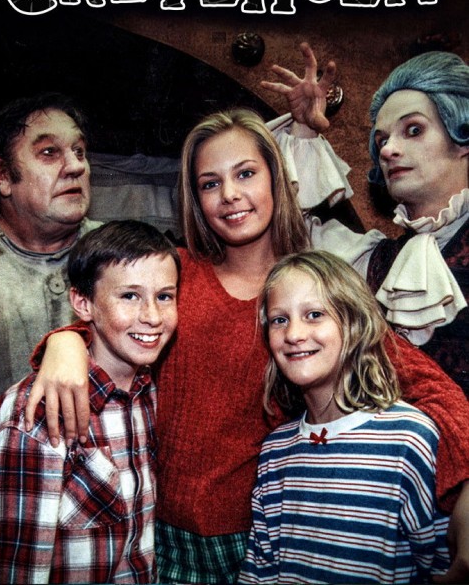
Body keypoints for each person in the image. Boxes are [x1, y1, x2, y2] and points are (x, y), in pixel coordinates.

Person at [24, 106, 469, 584]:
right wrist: (64, 343)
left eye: (246, 174)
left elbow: (435, 390)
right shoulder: (176, 272)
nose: (230, 195)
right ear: (194, 197)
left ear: (275, 177)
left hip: (260, 536)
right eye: (209, 183)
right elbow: (112, 322)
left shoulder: (307, 293)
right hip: (155, 532)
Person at [0, 219, 180, 584]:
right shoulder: (36, 418)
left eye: (164, 296)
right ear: (83, 303)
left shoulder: (148, 392)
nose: (152, 316)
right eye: (129, 296)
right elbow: (7, 570)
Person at [263, 44, 469, 397]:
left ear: (462, 138)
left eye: (413, 130)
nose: (387, 150)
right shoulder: (374, 261)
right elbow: (283, 231)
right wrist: (304, 132)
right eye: (382, 139)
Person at [238, 250, 450, 584]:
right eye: (280, 320)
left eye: (314, 314)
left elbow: (442, 566)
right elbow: (260, 570)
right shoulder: (275, 452)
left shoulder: (409, 439)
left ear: (353, 323)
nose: (293, 334)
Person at [0, 91, 101, 460]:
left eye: (79, 151)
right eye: (49, 152)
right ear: (2, 175)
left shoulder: (123, 256)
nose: (75, 166)